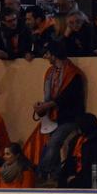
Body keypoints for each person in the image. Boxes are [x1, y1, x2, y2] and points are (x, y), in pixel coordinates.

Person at [32, 40, 85, 179]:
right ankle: (54, 176)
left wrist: (47, 105)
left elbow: (68, 97)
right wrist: (42, 106)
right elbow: (49, 96)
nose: (45, 57)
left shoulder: (73, 73)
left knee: (54, 142)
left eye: (47, 54)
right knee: (48, 144)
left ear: (54, 55)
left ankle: (41, 174)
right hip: (53, 117)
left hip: (70, 117)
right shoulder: (50, 72)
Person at [60, 114, 97, 188]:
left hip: (90, 175)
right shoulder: (77, 139)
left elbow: (94, 163)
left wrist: (76, 177)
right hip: (75, 173)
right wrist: (70, 174)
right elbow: (70, 159)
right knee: (62, 178)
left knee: (74, 183)